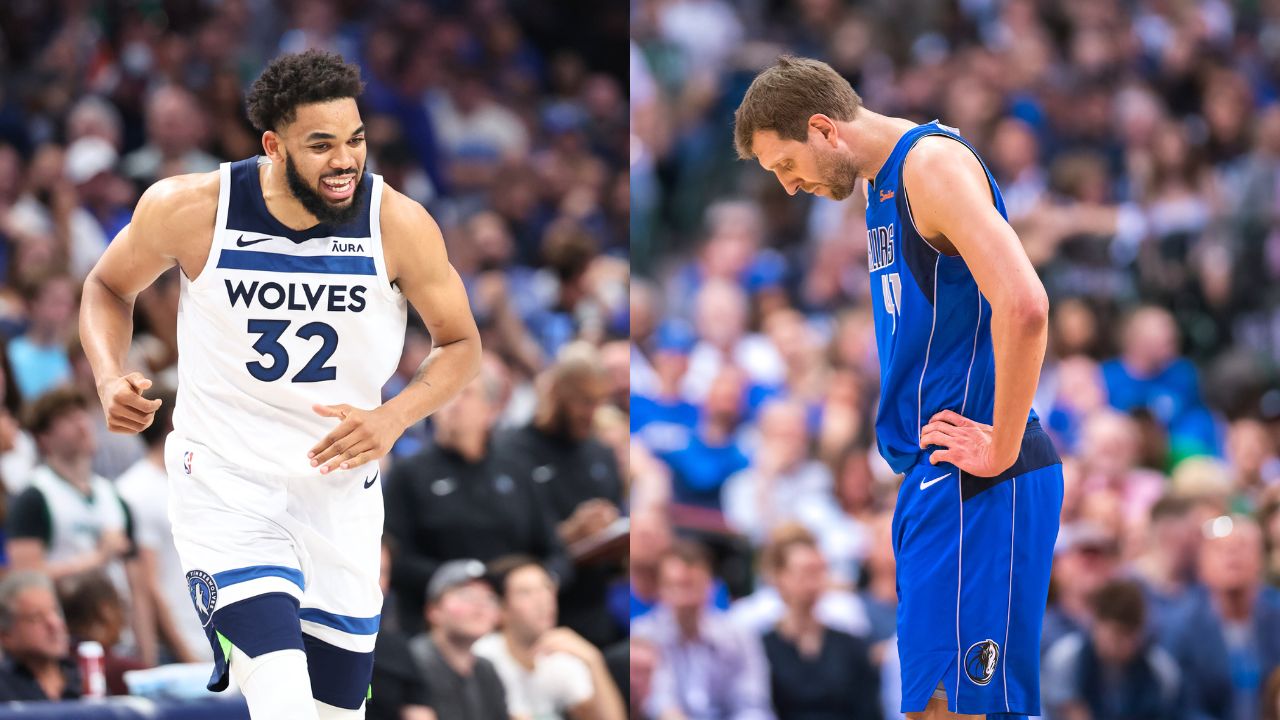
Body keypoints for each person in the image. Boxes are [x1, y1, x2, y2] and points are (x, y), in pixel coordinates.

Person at [78, 50, 481, 720]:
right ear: (274, 145)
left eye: (354, 140)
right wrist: (107, 374)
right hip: (226, 488)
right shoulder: (191, 208)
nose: (345, 160)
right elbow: (106, 286)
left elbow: (462, 344)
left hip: (339, 500)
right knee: (285, 708)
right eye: (320, 145)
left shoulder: (396, 222)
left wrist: (395, 417)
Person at [735, 55, 1063, 719]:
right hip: (938, 479)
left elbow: (1025, 305)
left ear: (824, 128)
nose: (790, 187)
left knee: (963, 709)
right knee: (933, 706)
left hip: (979, 481)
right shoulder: (880, 185)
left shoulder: (929, 167)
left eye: (785, 165)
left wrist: (1000, 443)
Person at [384, 364, 570, 632]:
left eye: (466, 394)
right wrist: (461, 581)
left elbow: (554, 551)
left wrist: (539, 581)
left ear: (492, 410)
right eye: (444, 394)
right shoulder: (409, 473)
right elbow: (394, 559)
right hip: (436, 623)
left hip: (512, 617)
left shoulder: (517, 469)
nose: (453, 403)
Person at [115, 386, 208, 665]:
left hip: (216, 635)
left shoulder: (198, 481)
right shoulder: (135, 490)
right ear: (172, 419)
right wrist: (185, 653)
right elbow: (146, 582)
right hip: (179, 646)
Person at [631, 539, 774, 719]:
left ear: (710, 586)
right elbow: (659, 704)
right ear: (661, 589)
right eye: (677, 586)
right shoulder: (643, 634)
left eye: (692, 585)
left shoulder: (739, 634)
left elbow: (752, 704)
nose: (685, 598)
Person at [473, 555, 625, 720]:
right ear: (501, 608)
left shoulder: (559, 653)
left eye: (547, 587)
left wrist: (593, 660)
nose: (543, 600)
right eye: (526, 593)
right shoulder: (483, 656)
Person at [761, 527, 881, 720]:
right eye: (804, 572)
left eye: (818, 571)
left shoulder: (850, 645)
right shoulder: (760, 647)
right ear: (778, 577)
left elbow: (869, 709)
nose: (813, 582)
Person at [1041, 578, 1181, 720]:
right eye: (1114, 635)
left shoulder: (1160, 673)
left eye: (1129, 636)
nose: (1121, 644)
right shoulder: (1066, 661)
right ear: (1096, 624)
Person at [408, 559, 508, 720]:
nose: (480, 604)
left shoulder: (486, 670)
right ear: (434, 610)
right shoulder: (412, 663)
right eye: (467, 595)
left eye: (490, 597)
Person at [0, 571, 81, 702]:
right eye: (36, 617)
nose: (54, 624)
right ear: (5, 635)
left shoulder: (85, 676)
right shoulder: (4, 690)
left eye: (55, 612)